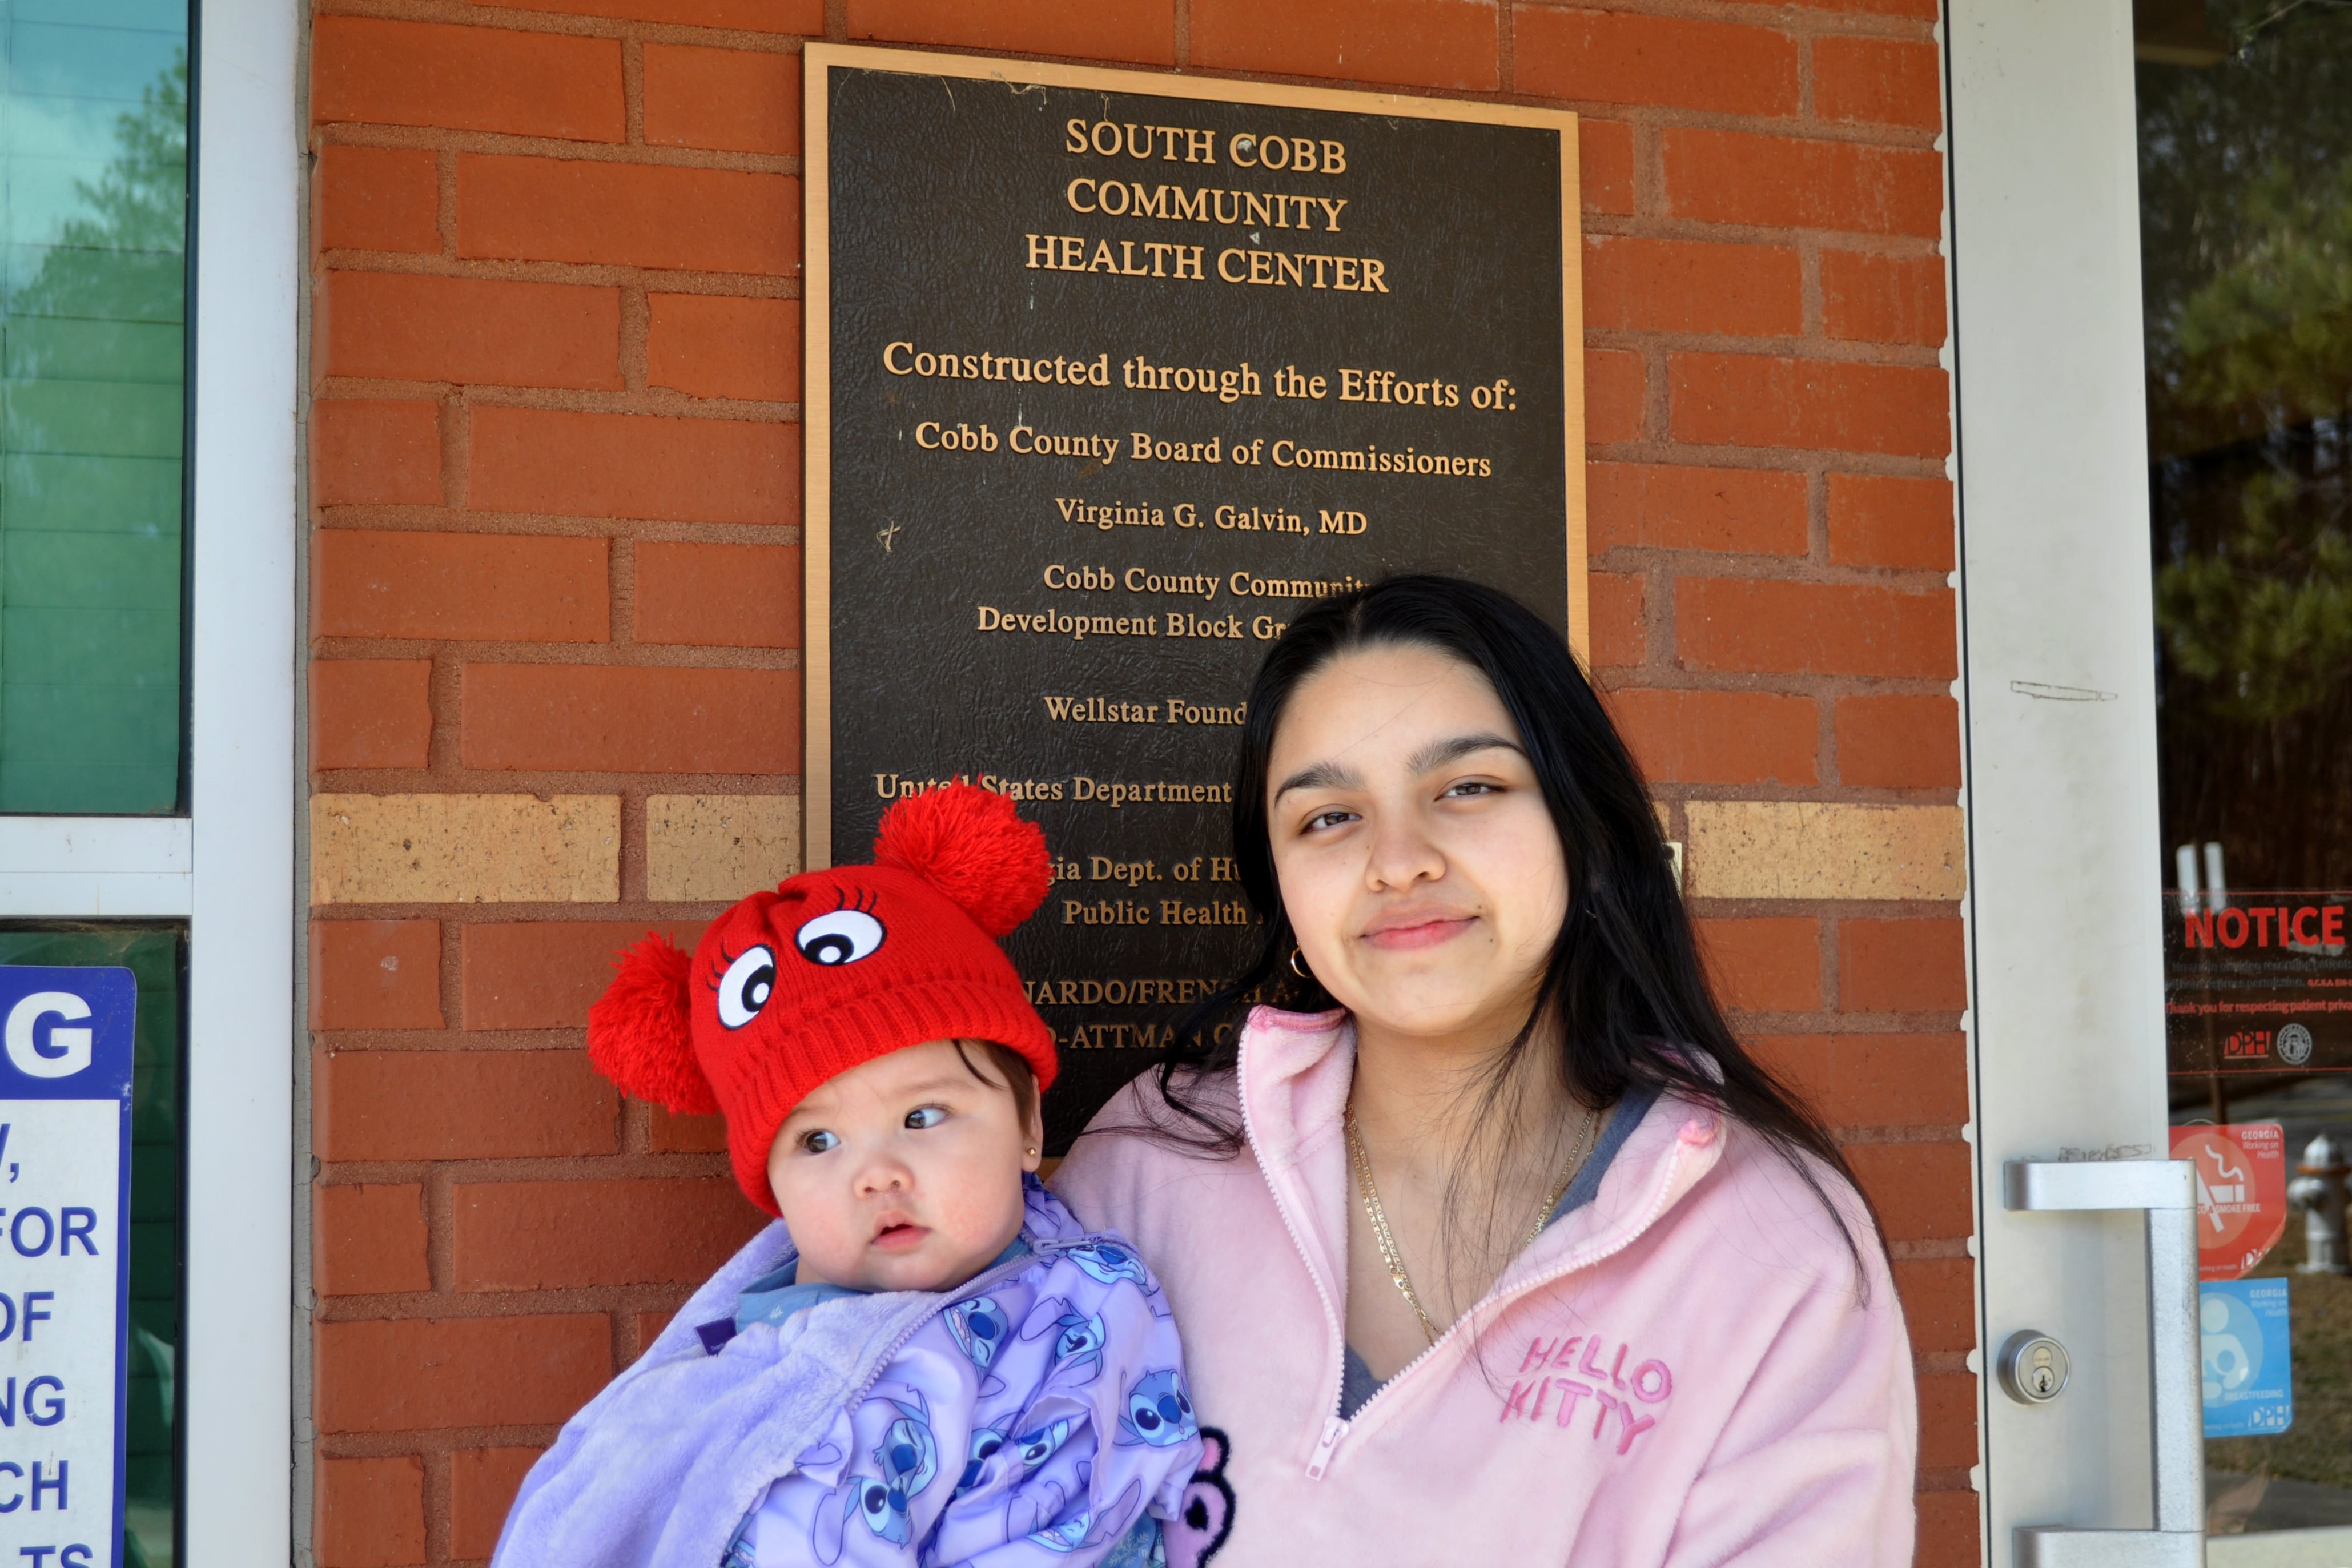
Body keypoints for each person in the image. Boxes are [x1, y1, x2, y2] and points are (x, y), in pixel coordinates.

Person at [1053, 576, 1918, 1565]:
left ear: (1584, 832)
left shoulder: (1771, 1251)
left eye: (1468, 788)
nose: (1399, 859)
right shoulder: (1146, 1169)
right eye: (1328, 816)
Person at [494, 783, 1203, 1568]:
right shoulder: (748, 1330)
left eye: (923, 1117)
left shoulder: (1077, 1320)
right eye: (819, 1140)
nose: (876, 1173)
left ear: (1029, 1125)